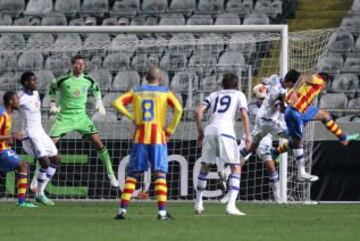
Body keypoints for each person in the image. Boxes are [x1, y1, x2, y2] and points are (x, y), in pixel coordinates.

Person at [112, 65, 183, 220]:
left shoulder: (137, 91)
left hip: (140, 137)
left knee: (133, 174)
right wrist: (170, 129)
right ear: (161, 79)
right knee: (159, 174)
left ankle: (122, 211)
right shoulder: (164, 92)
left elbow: (117, 103)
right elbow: (178, 109)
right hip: (158, 138)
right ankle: (162, 213)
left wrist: (132, 117)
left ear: (145, 78)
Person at [273, 69, 359, 182]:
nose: (324, 88)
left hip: (302, 110)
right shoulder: (318, 80)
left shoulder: (309, 87)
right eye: (326, 85)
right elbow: (303, 77)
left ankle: (343, 138)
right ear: (325, 82)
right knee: (298, 142)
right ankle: (301, 173)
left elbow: (284, 107)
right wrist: (294, 90)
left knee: (325, 115)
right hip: (295, 112)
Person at [48, 54, 118, 187]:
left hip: (81, 117)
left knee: (98, 141)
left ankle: (111, 174)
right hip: (65, 117)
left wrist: (99, 102)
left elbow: (96, 88)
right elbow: (51, 86)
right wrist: (52, 103)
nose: (81, 66)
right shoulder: (63, 80)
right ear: (72, 65)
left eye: (83, 64)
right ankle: (36, 180)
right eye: (78, 64)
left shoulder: (88, 80)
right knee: (48, 146)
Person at [194, 73, 251, 216]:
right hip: (226, 132)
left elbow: (198, 111)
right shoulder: (239, 95)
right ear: (237, 85)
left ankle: (198, 203)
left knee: (205, 167)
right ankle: (231, 206)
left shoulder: (214, 95)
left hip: (210, 131)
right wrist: (248, 135)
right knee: (236, 167)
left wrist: (200, 132)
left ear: (222, 84)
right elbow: (244, 114)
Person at [18, 72, 60, 206]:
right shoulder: (20, 97)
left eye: (36, 80)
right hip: (30, 135)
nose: (36, 83)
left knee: (55, 159)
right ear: (25, 83)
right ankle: (39, 193)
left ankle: (39, 193)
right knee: (45, 163)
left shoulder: (35, 93)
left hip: (40, 131)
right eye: (33, 81)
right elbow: (8, 108)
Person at [0, 91, 37, 207]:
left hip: (4, 148)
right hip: (1, 151)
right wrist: (11, 136)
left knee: (22, 166)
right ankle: (21, 202)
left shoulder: (8, 114)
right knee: (22, 165)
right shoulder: (2, 114)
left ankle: (21, 201)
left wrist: (10, 137)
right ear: (11, 101)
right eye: (17, 99)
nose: (19, 102)